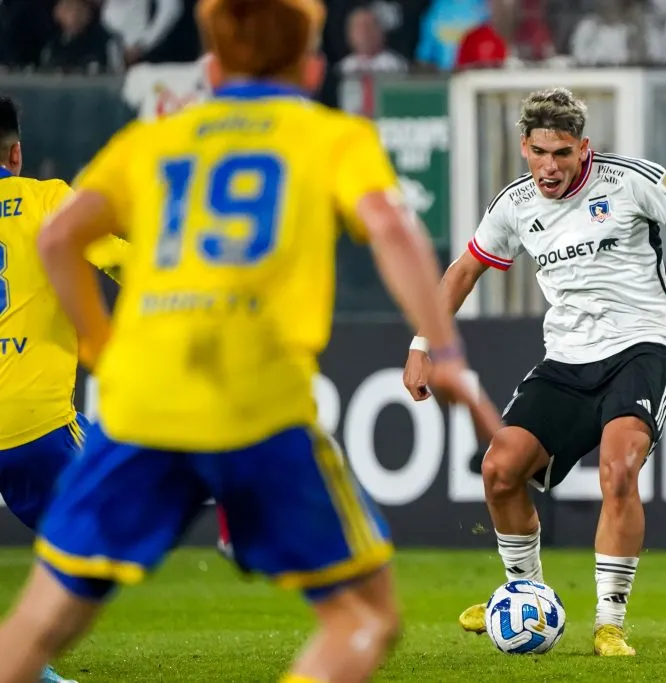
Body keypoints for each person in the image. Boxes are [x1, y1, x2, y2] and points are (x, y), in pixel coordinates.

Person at [0, 2, 497, 683]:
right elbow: (389, 226)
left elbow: (62, 239)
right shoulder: (330, 135)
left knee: (41, 619)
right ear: (313, 69)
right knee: (364, 616)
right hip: (254, 398)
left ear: (210, 70)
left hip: (141, 401)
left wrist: (99, 343)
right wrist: (447, 352)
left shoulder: (155, 140)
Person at [402, 87, 666, 657]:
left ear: (584, 148)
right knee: (500, 469)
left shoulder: (632, 181)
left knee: (618, 469)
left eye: (562, 153)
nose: (549, 166)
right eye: (539, 152)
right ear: (524, 148)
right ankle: (526, 593)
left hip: (642, 347)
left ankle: (609, 623)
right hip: (566, 358)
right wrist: (421, 343)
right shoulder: (514, 205)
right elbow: (461, 272)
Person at [0, 95, 126, 683]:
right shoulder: (49, 199)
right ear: (15, 154)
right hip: (36, 425)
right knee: (104, 533)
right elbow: (119, 259)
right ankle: (28, 661)